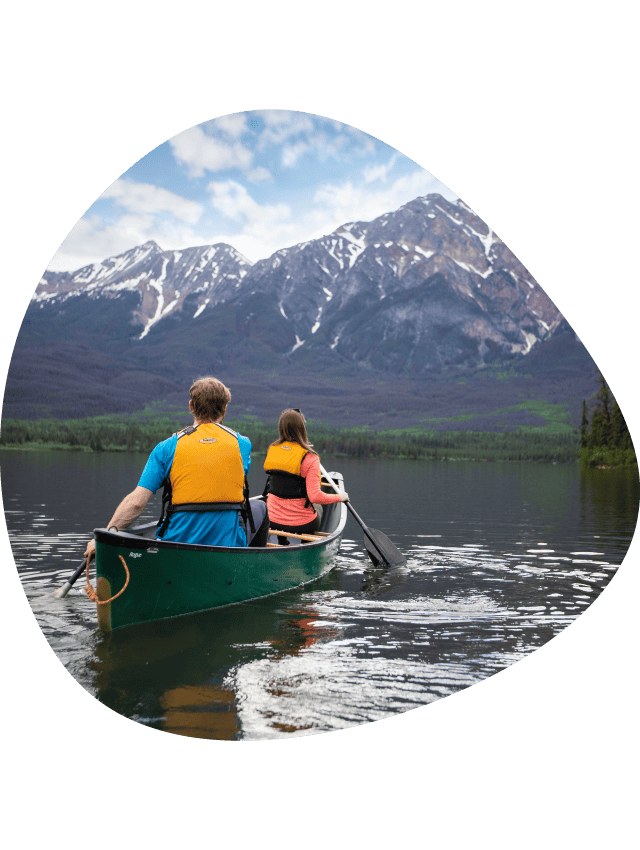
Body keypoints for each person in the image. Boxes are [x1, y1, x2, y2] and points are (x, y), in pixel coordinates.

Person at [84, 377, 269, 558]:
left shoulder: (167, 447)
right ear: (225, 408)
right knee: (260, 506)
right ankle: (252, 565)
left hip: (177, 545)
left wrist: (106, 536)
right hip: (225, 545)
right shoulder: (242, 444)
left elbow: (137, 502)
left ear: (191, 406)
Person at [263, 408, 348, 544]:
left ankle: (282, 540)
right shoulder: (310, 458)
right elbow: (315, 496)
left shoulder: (272, 449)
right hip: (302, 524)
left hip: (272, 520)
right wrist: (340, 497)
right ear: (302, 428)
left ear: (281, 428)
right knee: (318, 507)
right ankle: (305, 545)